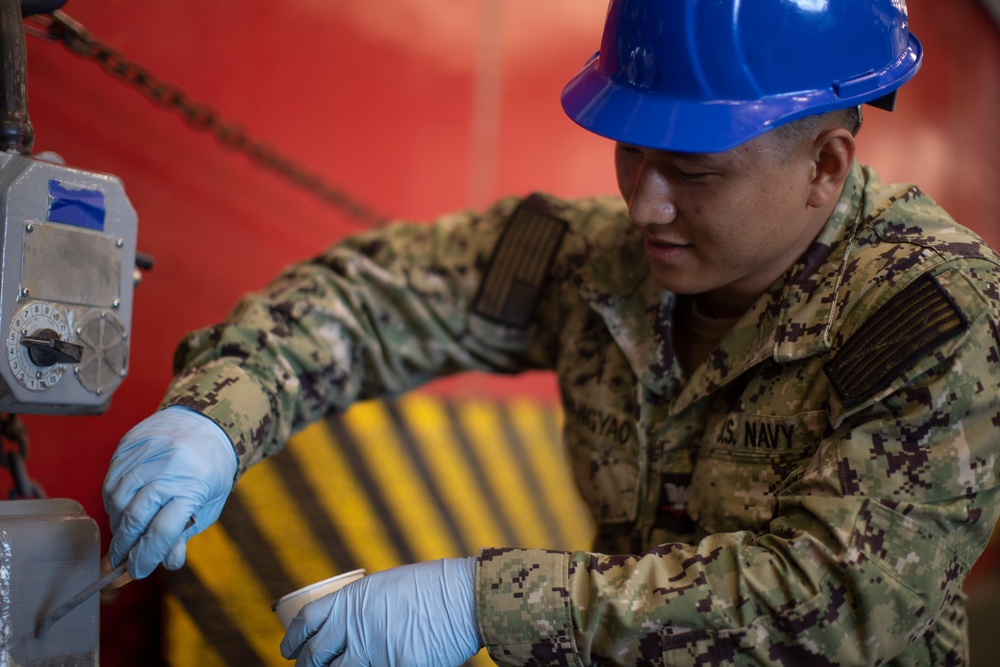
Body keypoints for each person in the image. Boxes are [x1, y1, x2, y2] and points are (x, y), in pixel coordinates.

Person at [102, 0, 1000, 665]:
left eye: (691, 169)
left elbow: (840, 599)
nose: (644, 204)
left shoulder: (931, 313)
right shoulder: (598, 259)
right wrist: (215, 418)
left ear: (824, 166)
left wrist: (482, 604)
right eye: (630, 152)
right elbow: (376, 299)